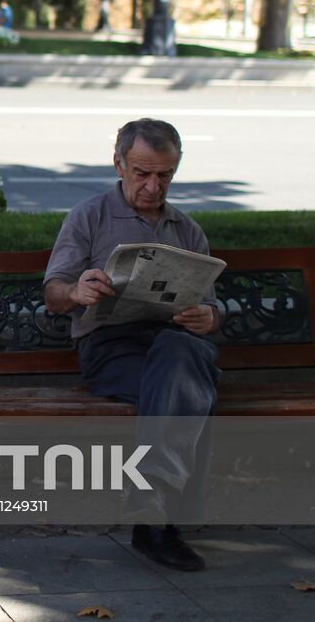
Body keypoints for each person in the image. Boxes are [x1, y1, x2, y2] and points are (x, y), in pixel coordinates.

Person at [43, 118, 221, 572]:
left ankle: (150, 512)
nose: (152, 185)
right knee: (190, 390)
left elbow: (210, 307)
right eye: (142, 173)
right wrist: (77, 291)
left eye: (164, 175)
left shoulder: (187, 230)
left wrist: (208, 316)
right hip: (112, 347)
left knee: (182, 355)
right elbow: (54, 292)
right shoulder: (90, 216)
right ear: (118, 164)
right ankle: (164, 525)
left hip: (175, 345)